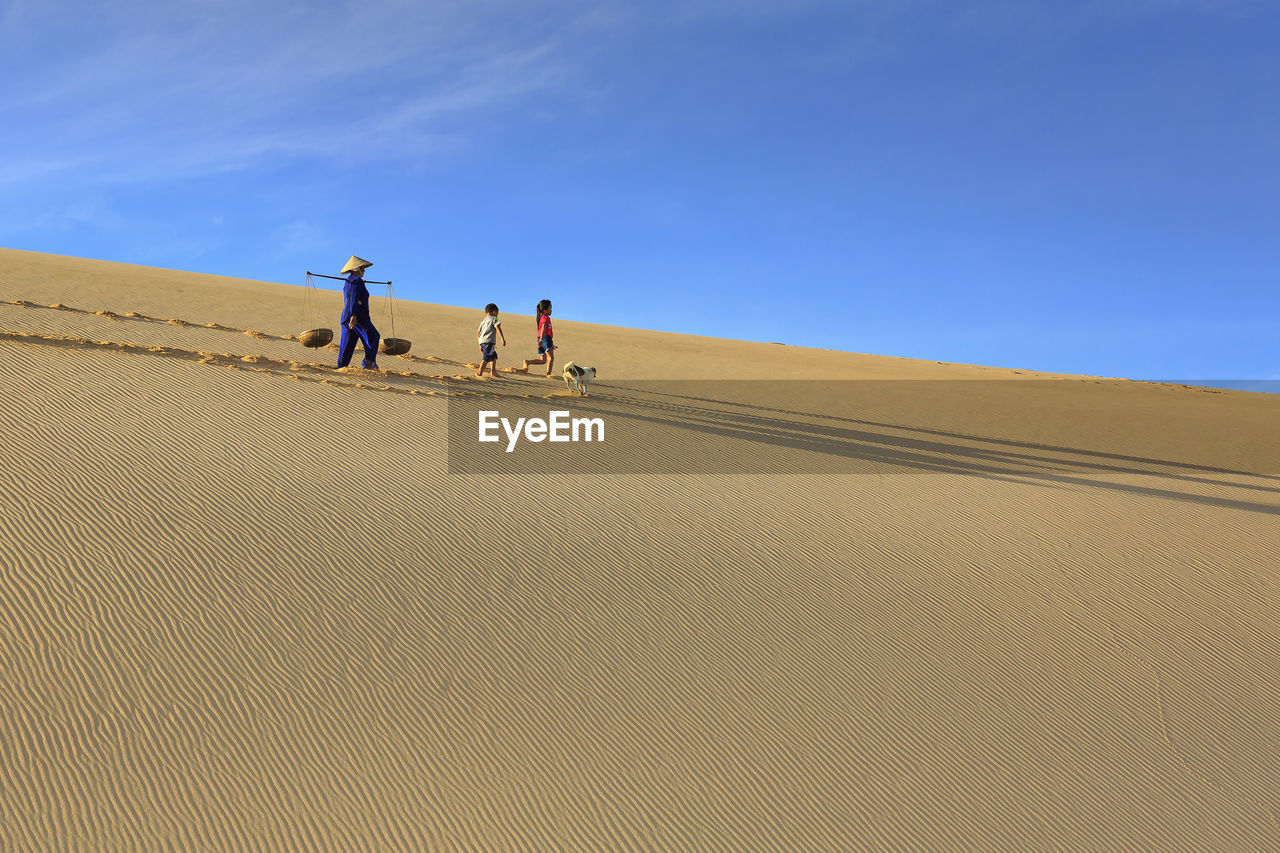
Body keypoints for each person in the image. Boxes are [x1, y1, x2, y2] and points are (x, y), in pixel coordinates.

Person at [337, 255, 380, 370]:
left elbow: (352, 296)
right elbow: (353, 299)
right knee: (373, 336)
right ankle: (369, 362)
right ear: (356, 269)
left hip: (347, 316)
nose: (364, 270)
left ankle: (341, 367)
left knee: (348, 343)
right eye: (362, 268)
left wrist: (361, 284)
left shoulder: (351, 281)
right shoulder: (356, 281)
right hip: (357, 316)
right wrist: (353, 315)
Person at [521, 298, 555, 375]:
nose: (551, 310)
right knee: (551, 358)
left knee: (543, 360)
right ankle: (548, 375)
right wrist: (542, 340)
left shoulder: (542, 318)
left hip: (542, 339)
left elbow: (546, 332)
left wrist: (550, 344)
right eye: (550, 309)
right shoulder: (545, 318)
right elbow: (543, 329)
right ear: (545, 310)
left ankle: (527, 362)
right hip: (544, 338)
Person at [476, 303, 506, 377]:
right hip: (489, 341)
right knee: (486, 357)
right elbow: (497, 328)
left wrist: (480, 344)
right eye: (497, 312)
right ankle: (479, 372)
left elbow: (478, 333)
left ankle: (493, 371)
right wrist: (502, 339)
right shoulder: (494, 319)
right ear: (494, 311)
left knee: (493, 356)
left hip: (482, 341)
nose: (497, 314)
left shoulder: (483, 321)